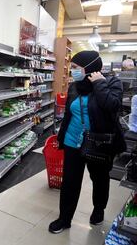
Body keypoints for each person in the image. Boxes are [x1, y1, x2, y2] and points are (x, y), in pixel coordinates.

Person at [49, 50, 127, 234]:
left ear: (89, 67)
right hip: (72, 142)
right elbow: (69, 114)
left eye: (76, 67)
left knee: (99, 178)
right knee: (69, 182)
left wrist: (99, 83)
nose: (72, 71)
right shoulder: (75, 86)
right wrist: (60, 138)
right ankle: (64, 218)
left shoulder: (111, 83)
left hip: (99, 143)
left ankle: (99, 208)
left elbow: (113, 106)